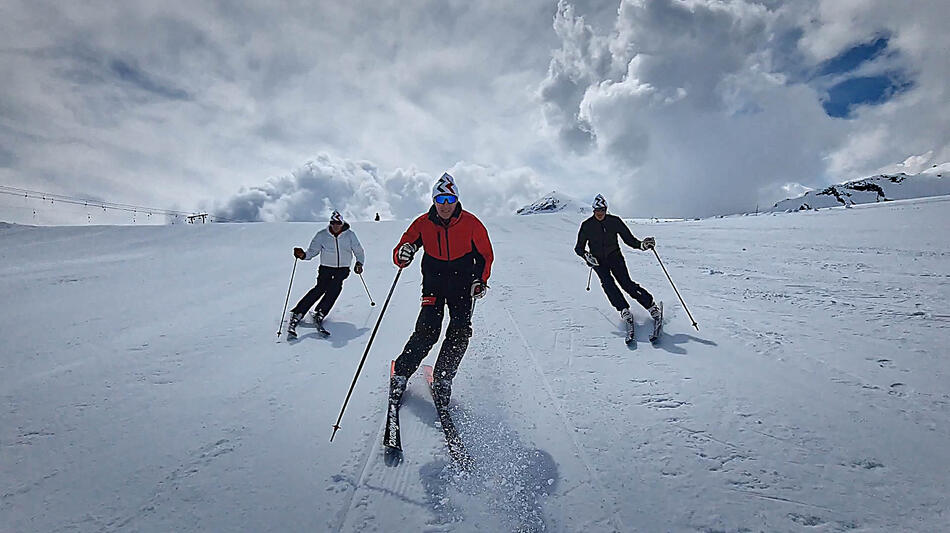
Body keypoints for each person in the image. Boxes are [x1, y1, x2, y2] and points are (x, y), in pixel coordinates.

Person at [388, 172, 493, 408]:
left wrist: (480, 280)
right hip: (434, 283)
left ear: (456, 200)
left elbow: (485, 256)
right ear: (434, 200)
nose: (445, 205)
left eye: (450, 199)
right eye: (440, 199)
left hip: (462, 285)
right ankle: (401, 373)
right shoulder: (423, 223)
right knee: (428, 330)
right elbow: (403, 247)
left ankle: (443, 378)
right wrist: (402, 254)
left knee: (460, 331)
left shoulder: (472, 223)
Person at [575, 194, 660, 333]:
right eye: (597, 210)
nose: (600, 213)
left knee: (626, 283)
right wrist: (586, 256)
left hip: (615, 257)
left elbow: (629, 240)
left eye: (602, 210)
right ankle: (623, 309)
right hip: (598, 262)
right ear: (593, 210)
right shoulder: (587, 225)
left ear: (606, 209)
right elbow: (578, 248)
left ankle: (651, 306)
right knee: (608, 284)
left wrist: (642, 245)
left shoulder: (614, 221)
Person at [286, 210, 365, 338]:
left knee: (335, 288)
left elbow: (358, 250)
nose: (335, 225)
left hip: (342, 268)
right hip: (326, 268)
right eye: (333, 223)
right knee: (320, 288)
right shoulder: (322, 235)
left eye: (338, 223)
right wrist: (303, 255)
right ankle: (298, 312)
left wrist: (359, 263)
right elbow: (313, 251)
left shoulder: (350, 235)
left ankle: (321, 312)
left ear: (342, 223)